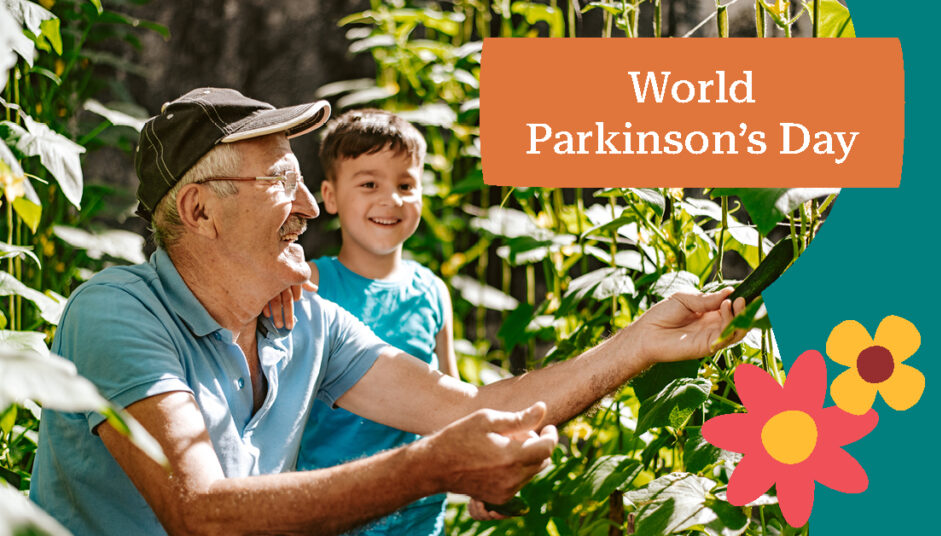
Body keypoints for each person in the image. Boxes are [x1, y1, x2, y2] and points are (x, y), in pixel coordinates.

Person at [29, 88, 745, 536]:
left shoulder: (306, 323)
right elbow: (203, 513)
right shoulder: (115, 314)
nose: (309, 206)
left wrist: (638, 344)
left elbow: (476, 406)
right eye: (281, 180)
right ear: (200, 211)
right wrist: (430, 468)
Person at [294, 109, 458, 535]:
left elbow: (452, 404)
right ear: (329, 196)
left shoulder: (432, 291)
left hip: (418, 517)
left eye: (406, 185)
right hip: (327, 513)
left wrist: (479, 476)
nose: (392, 199)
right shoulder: (306, 284)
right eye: (369, 184)